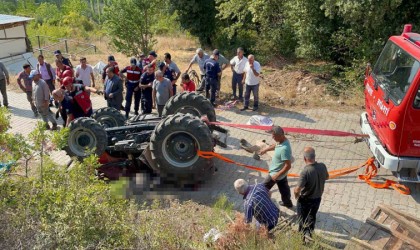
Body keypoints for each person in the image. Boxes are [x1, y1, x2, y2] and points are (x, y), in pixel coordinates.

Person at [294, 147, 329, 240]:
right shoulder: (322, 166)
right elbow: (327, 177)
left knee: (302, 220)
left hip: (305, 200)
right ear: (314, 156)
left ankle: (301, 238)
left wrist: (296, 196)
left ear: (304, 159)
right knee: (312, 217)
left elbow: (297, 189)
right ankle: (310, 234)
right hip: (317, 198)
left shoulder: (305, 172)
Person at [260, 126, 293, 208]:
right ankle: (287, 203)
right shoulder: (281, 141)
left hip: (275, 174)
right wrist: (266, 150)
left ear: (281, 135)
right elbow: (275, 145)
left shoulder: (285, 149)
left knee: (262, 189)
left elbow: (288, 166)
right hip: (281, 175)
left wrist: (277, 175)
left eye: (274, 136)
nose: (272, 137)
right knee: (284, 190)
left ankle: (260, 203)